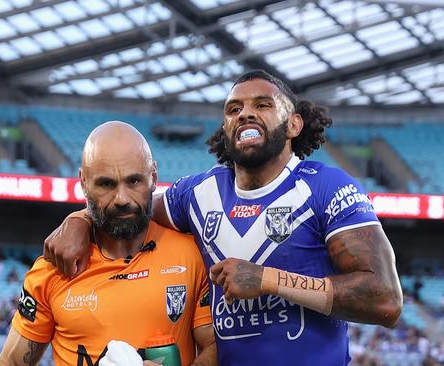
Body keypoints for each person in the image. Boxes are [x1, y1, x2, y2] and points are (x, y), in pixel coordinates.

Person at [43, 70, 403, 365]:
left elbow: (385, 300)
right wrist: (80, 220)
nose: (245, 113)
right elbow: (125, 205)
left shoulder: (326, 187)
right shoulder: (198, 195)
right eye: (233, 109)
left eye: (263, 105)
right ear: (225, 128)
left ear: (294, 124)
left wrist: (267, 279)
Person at [0, 122, 216, 366]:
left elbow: (214, 347)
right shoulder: (53, 269)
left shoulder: (191, 255)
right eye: (106, 184)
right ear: (83, 182)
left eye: (134, 181)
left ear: (153, 177)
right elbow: (12, 361)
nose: (122, 199)